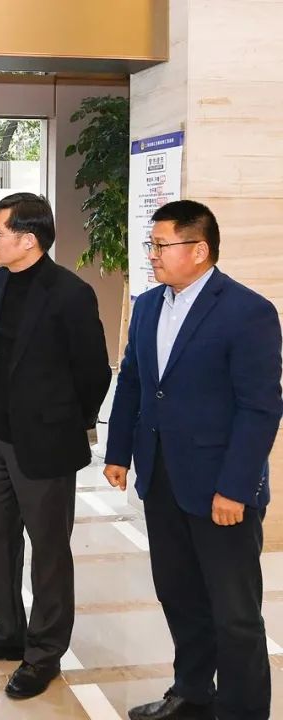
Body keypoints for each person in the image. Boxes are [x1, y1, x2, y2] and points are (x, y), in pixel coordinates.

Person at [105, 200, 281, 720]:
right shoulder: (148, 306)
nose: (152, 255)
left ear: (199, 250)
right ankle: (193, 692)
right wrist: (119, 452)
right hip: (161, 478)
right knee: (179, 595)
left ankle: (243, 710)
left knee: (235, 613)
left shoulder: (247, 311)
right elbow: (133, 382)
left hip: (220, 488)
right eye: (152, 245)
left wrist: (236, 488)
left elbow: (260, 408)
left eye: (162, 245)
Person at [0, 192, 111, 699]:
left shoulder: (70, 293)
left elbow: (94, 373)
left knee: (49, 554)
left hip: (45, 447)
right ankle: (7, 631)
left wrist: (64, 424)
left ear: (28, 239)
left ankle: (43, 654)